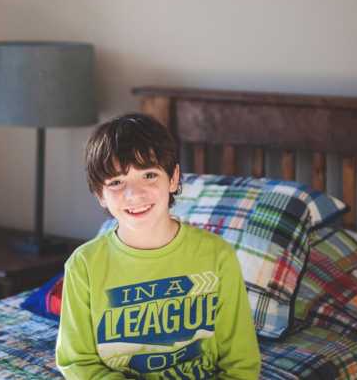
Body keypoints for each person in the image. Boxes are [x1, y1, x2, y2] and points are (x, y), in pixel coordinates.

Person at [56, 113, 261, 380]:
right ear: (99, 194)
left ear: (173, 178)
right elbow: (77, 361)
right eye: (116, 182)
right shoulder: (83, 265)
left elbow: (241, 363)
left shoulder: (217, 257)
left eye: (149, 175)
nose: (134, 194)